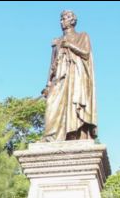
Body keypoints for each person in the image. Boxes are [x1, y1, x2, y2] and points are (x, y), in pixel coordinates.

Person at [41, 10, 98, 142]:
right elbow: (52, 65)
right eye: (61, 19)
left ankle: (73, 134)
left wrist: (70, 45)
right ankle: (50, 136)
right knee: (51, 104)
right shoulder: (57, 41)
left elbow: (86, 53)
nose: (62, 21)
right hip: (59, 79)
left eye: (65, 18)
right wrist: (48, 84)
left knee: (73, 106)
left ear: (72, 21)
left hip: (75, 78)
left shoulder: (82, 36)